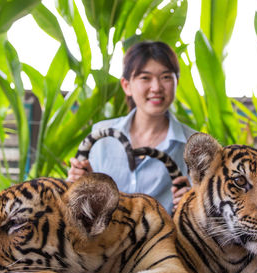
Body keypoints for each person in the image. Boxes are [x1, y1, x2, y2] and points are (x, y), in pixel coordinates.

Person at [67, 41, 195, 215]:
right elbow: (85, 207)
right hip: (104, 240)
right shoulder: (100, 136)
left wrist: (193, 202)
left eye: (166, 77)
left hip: (163, 240)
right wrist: (79, 182)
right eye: (145, 78)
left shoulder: (192, 144)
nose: (156, 87)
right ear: (127, 86)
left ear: (176, 82)